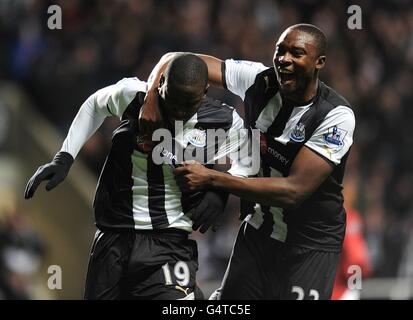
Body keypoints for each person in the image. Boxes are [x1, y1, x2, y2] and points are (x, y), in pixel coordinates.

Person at [140, 24, 356, 300]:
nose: (285, 59)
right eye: (281, 51)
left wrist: (215, 180)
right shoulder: (258, 80)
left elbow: (294, 191)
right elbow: (178, 60)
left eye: (297, 53)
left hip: (309, 247)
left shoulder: (335, 116)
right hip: (258, 230)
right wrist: (150, 98)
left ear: (319, 63)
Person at [24, 54, 248, 299]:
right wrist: (65, 156)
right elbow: (95, 104)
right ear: (160, 83)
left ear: (205, 92)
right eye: (173, 101)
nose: (179, 111)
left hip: (169, 242)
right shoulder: (134, 97)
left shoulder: (223, 121)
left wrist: (220, 189)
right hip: (112, 237)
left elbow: (248, 159)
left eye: (189, 103)